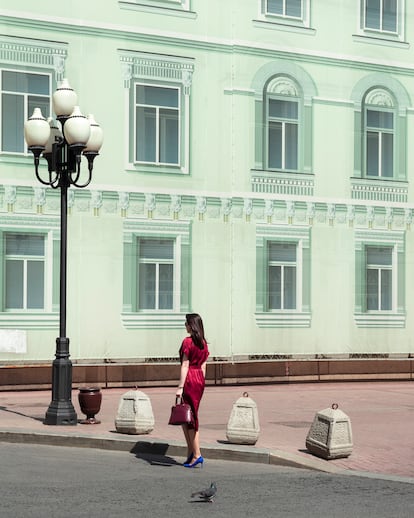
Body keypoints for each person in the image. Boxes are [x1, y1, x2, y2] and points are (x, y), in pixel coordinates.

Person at [176, 313, 209, 468]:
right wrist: (201, 382)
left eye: (186, 323)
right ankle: (191, 451)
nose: (185, 325)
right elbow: (203, 366)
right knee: (188, 416)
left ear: (192, 325)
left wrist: (180, 387)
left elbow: (185, 365)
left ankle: (196, 454)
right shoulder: (204, 343)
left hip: (189, 379)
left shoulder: (187, 342)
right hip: (199, 380)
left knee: (190, 419)